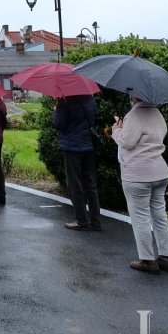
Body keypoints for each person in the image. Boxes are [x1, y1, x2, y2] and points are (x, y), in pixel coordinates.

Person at [111, 93, 168, 274]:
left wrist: (116, 130)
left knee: (140, 218)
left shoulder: (134, 115)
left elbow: (127, 143)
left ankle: (147, 259)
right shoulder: (157, 113)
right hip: (160, 171)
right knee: (160, 215)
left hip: (138, 174)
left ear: (134, 95)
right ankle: (166, 256)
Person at [54, 94, 101, 231]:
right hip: (88, 144)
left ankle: (81, 220)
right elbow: (93, 118)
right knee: (90, 183)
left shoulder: (65, 101)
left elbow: (59, 124)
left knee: (75, 184)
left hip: (72, 147)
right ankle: (95, 220)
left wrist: (57, 109)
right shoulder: (90, 99)